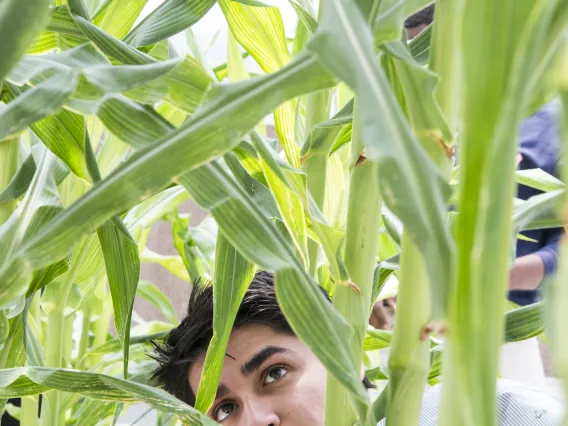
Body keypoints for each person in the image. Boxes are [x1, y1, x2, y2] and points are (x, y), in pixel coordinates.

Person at [151, 272, 564, 425]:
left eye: (274, 373)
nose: (257, 421)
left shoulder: (495, 413)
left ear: (344, 354)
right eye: (225, 411)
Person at [371, 4, 564, 330]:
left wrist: (491, 275)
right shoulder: (411, 132)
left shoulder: (552, 120)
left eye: (425, 58)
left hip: (503, 323)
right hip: (414, 322)